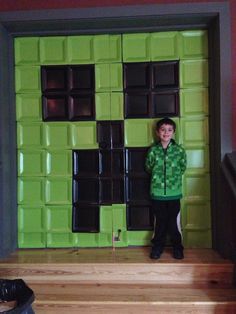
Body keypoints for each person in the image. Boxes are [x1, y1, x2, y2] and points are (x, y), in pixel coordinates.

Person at [145, 117, 187, 260]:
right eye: (163, 130)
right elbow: (149, 167)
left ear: (173, 132)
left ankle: (178, 248)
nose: (166, 132)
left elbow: (182, 167)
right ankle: (157, 247)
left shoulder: (179, 150)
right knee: (161, 222)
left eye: (169, 130)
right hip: (157, 194)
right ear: (158, 132)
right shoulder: (153, 151)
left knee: (173, 222)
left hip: (174, 194)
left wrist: (171, 182)